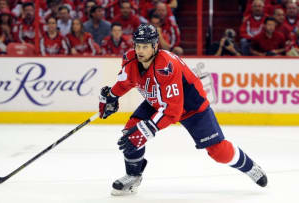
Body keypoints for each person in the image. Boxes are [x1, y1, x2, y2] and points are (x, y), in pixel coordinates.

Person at [98, 24, 268, 196]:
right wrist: (112, 95)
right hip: (158, 101)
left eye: (145, 46)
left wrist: (146, 130)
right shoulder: (130, 58)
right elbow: (127, 81)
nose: (140, 50)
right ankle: (133, 176)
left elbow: (173, 111)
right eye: (137, 45)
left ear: (155, 46)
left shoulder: (166, 67)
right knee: (130, 132)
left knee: (219, 153)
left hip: (191, 108)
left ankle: (249, 166)